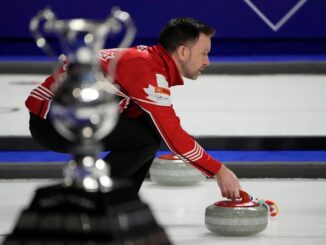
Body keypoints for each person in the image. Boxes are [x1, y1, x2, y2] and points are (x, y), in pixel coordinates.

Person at [25, 17, 241, 200]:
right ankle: (89, 199)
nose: (208, 61)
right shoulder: (148, 72)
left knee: (148, 134)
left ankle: (116, 201)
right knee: (144, 140)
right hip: (52, 123)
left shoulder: (148, 59)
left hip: (57, 115)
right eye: (204, 53)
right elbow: (174, 137)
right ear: (183, 52)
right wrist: (220, 171)